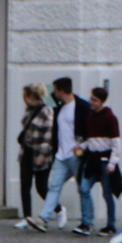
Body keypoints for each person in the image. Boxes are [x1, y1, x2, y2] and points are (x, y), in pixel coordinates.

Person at [38, 76, 83, 232]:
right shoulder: (59, 106)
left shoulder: (81, 106)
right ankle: (43, 217)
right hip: (61, 155)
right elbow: (45, 94)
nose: (54, 92)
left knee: (83, 188)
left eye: (56, 89)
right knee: (54, 186)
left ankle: (86, 221)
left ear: (61, 91)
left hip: (75, 155)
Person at [82, 84, 122, 234]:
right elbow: (92, 140)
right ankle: (86, 222)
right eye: (91, 99)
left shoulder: (110, 118)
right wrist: (82, 146)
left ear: (102, 101)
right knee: (84, 188)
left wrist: (113, 162)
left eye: (95, 100)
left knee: (107, 193)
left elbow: (115, 142)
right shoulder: (91, 117)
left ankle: (111, 224)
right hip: (92, 159)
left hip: (104, 160)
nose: (92, 102)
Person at [15, 85, 53, 231]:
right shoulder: (28, 111)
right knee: (25, 184)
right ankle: (27, 217)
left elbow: (47, 135)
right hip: (26, 151)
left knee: (41, 187)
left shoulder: (46, 111)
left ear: (31, 96)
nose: (24, 99)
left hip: (39, 153)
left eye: (25, 96)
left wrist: (42, 155)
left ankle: (58, 209)